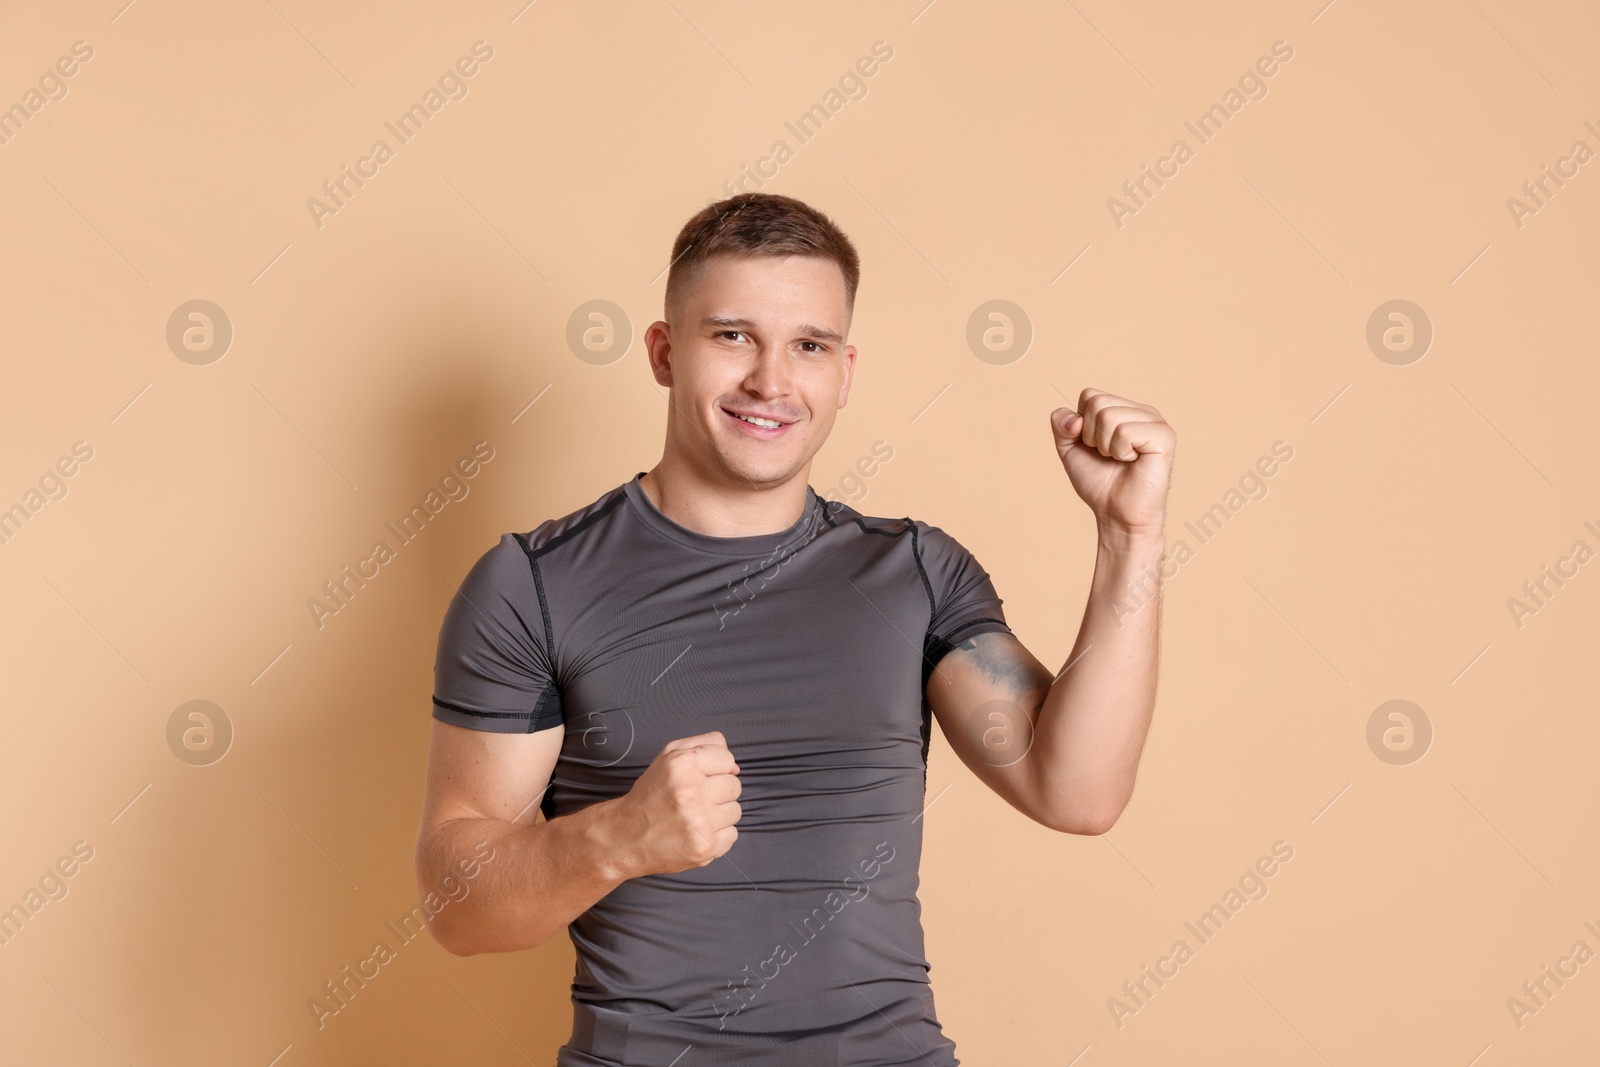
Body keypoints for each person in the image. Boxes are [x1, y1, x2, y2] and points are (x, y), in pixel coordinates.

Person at [413, 191, 1175, 1066]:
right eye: (732, 335)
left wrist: (1129, 535)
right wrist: (617, 836)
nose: (771, 382)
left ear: (845, 372)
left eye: (808, 346)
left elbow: (1075, 791)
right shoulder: (534, 584)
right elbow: (455, 906)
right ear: (665, 352)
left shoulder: (914, 574)